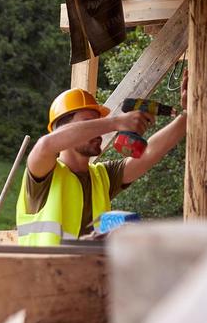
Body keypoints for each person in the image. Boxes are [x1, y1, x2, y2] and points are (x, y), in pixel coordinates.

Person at [17, 85, 187, 245]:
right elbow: (45, 145)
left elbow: (151, 152)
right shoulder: (43, 174)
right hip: (42, 274)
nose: (98, 132)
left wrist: (188, 113)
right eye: (88, 124)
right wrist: (115, 123)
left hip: (83, 274)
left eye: (97, 123)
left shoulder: (102, 176)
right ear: (62, 129)